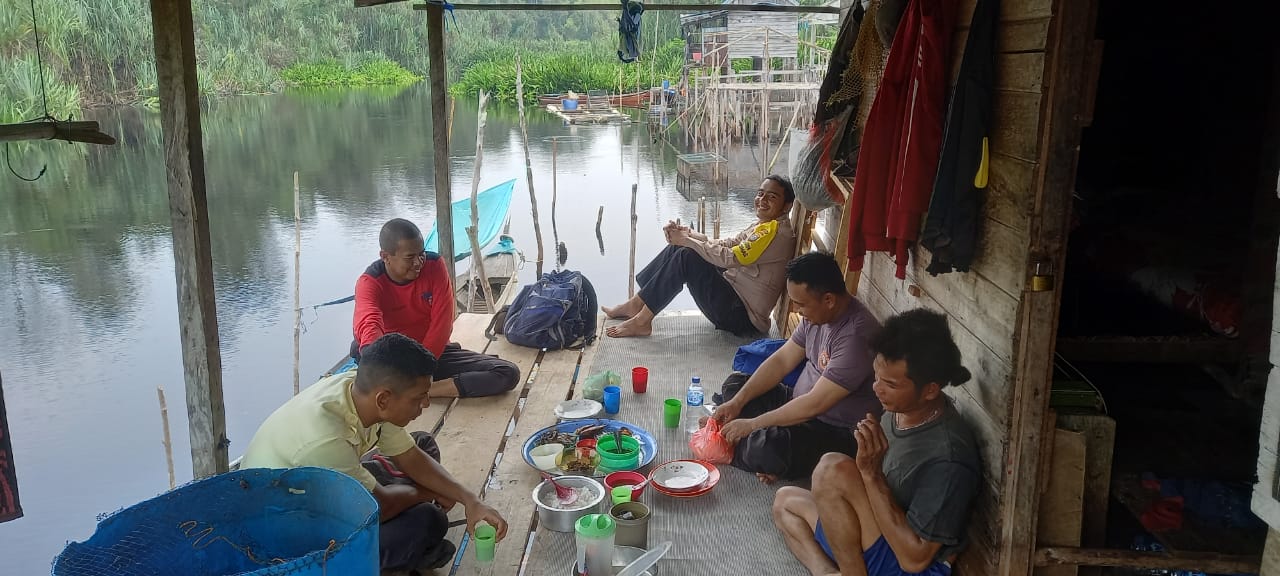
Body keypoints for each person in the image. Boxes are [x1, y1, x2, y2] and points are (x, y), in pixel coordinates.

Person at [241, 333, 509, 574]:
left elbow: (409, 454)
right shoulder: (325, 438)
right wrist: (429, 493)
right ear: (384, 400)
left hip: (325, 485)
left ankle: (414, 521)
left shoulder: (361, 392)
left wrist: (470, 499)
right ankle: (396, 555)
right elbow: (379, 507)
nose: (426, 404)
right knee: (428, 519)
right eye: (419, 397)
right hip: (288, 526)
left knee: (423, 443)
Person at [772, 309, 981, 576]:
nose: (876, 388)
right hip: (881, 531)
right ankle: (826, 572)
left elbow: (914, 560)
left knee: (831, 468)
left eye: (890, 384)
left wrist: (870, 476)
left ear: (930, 390)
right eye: (876, 376)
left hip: (910, 564)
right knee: (785, 501)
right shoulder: (901, 409)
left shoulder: (948, 459)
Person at [712, 251, 881, 483]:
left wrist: (752, 424)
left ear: (829, 300)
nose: (798, 311)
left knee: (769, 449)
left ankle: (746, 446)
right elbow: (781, 361)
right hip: (797, 403)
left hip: (834, 429)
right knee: (736, 385)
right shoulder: (816, 317)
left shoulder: (857, 337)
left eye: (801, 304)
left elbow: (814, 405)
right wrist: (737, 403)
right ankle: (749, 439)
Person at [602, 175, 797, 338]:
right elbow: (730, 243)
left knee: (688, 255)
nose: (762, 200)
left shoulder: (775, 233)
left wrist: (688, 242)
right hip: (733, 300)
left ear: (787, 206)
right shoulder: (767, 225)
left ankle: (643, 321)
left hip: (742, 317)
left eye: (771, 197)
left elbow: (730, 258)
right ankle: (636, 304)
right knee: (679, 249)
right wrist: (689, 235)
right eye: (760, 193)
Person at [351, 218, 520, 398]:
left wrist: (423, 370)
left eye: (421, 254)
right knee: (365, 355)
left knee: (507, 373)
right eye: (410, 257)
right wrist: (378, 365)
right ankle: (409, 386)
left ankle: (420, 391)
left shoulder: (434, 266)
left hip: (430, 352)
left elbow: (442, 324)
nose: (418, 262)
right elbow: (369, 323)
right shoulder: (370, 283)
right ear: (385, 256)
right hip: (392, 359)